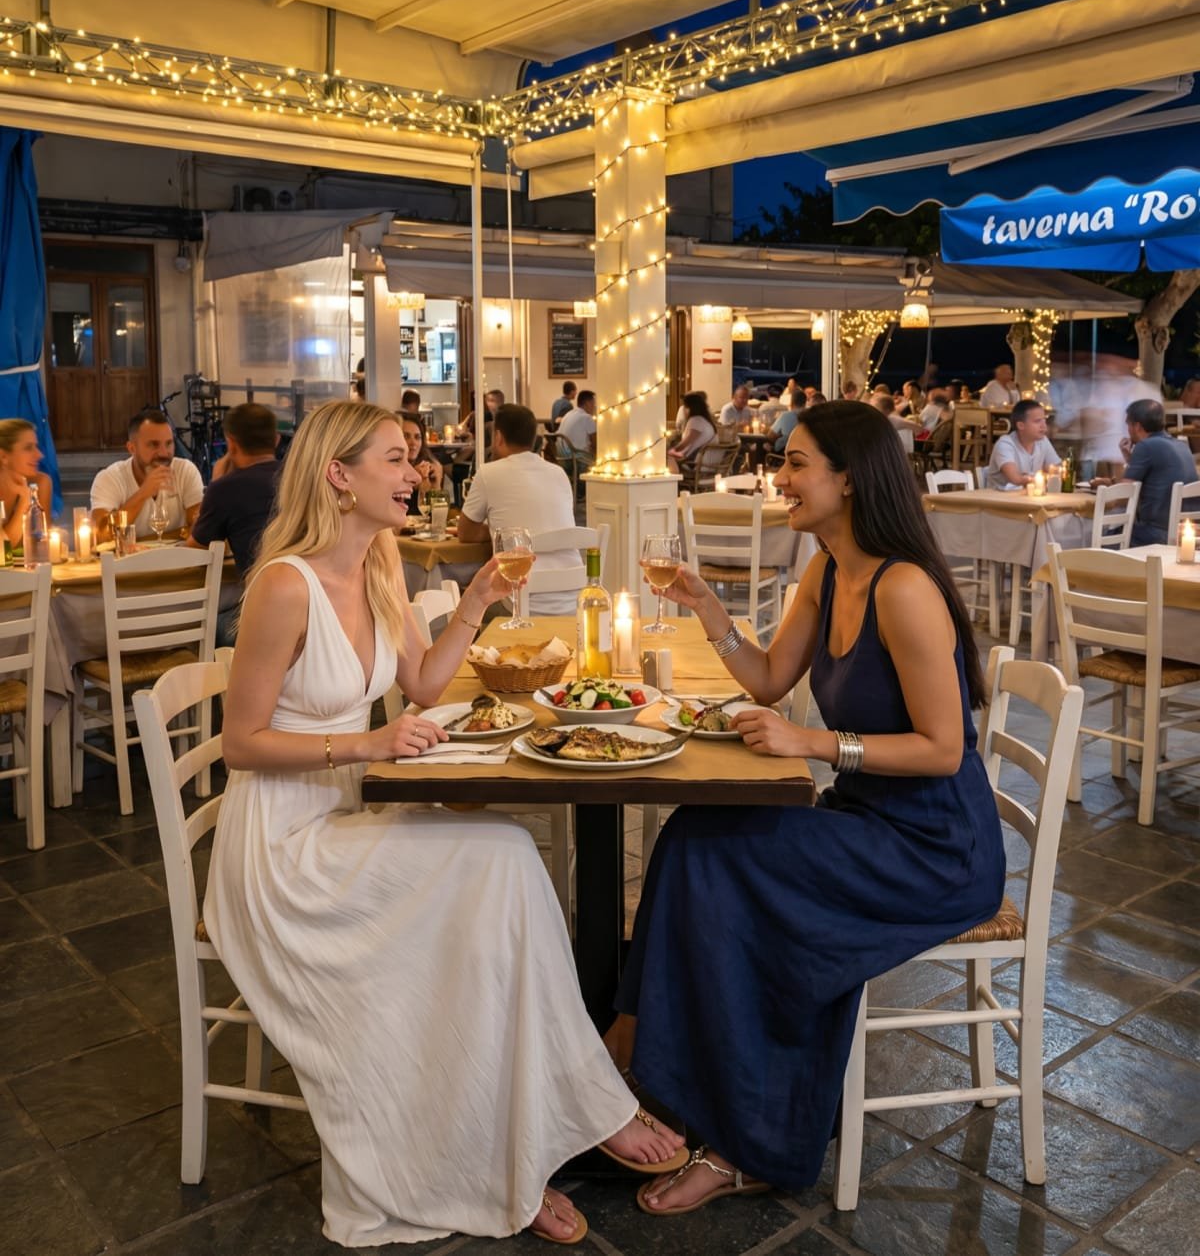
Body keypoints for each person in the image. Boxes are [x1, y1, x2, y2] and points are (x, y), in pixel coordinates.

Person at [205, 401, 684, 1248]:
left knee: (497, 870)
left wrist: (479, 600)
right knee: (496, 859)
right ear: (337, 475)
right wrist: (367, 740)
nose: (416, 473)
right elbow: (240, 743)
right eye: (395, 459)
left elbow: (426, 686)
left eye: (413, 457)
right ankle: (539, 1129)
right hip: (283, 851)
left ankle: (542, 1125)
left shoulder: (380, 566)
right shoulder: (287, 583)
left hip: (347, 821)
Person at [607, 401, 1003, 1212]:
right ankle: (638, 1043)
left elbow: (944, 751)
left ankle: (745, 1142)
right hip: (865, 819)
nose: (778, 477)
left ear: (849, 478)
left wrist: (817, 746)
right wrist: (707, 606)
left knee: (734, 875)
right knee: (694, 834)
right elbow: (766, 680)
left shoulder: (905, 590)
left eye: (795, 464)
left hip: (934, 850)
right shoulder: (826, 567)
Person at [457, 404, 583, 614]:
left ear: (498, 437)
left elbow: (465, 533)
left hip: (519, 599)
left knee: (467, 599)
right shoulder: (559, 473)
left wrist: (501, 535)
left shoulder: (488, 473)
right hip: (573, 598)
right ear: (533, 438)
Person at [187, 403, 281, 575]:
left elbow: (196, 552)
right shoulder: (300, 477)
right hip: (316, 591)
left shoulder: (225, 488)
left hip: (262, 592)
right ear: (276, 439)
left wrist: (216, 481)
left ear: (231, 444)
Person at [1092, 398, 1196, 545]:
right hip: (1185, 533)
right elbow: (1154, 477)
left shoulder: (1146, 446)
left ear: (1137, 426)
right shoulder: (1182, 445)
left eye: (1128, 425)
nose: (1127, 430)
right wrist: (1130, 459)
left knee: (1104, 538)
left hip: (1156, 534)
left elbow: (1124, 496)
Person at [90, 409, 203, 542]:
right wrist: (143, 493)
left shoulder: (185, 471)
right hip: (129, 562)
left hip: (178, 561)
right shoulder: (109, 478)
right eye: (153, 444)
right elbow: (101, 536)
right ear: (132, 448)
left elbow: (202, 528)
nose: (164, 453)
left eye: (169, 443)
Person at [0, 418, 54, 551]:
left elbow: (43, 545)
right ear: (3, 456)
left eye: (37, 447)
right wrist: (24, 502)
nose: (39, 455)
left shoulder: (41, 483)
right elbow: (2, 548)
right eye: (28, 448)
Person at [986, 399, 1061, 489]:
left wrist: (1055, 473)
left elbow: (1057, 469)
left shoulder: (1042, 441)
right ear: (1021, 425)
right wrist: (1043, 477)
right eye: (1037, 421)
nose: (1044, 425)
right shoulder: (1005, 444)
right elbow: (1016, 479)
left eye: (1044, 420)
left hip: (1030, 498)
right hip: (1000, 500)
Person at [399, 412, 444, 513]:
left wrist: (435, 486)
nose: (413, 443)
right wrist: (410, 482)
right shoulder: (390, 469)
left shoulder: (431, 467)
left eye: (417, 437)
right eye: (406, 436)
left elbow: (436, 515)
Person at [668, 392, 718, 465]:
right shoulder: (705, 420)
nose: (683, 410)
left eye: (684, 406)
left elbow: (686, 442)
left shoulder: (696, 420)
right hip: (707, 461)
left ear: (690, 408)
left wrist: (672, 450)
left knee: (664, 459)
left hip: (696, 462)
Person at [557, 389, 597, 461]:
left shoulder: (568, 414)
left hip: (561, 458)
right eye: (593, 403)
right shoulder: (587, 417)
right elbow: (596, 444)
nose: (595, 407)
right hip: (577, 459)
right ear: (587, 403)